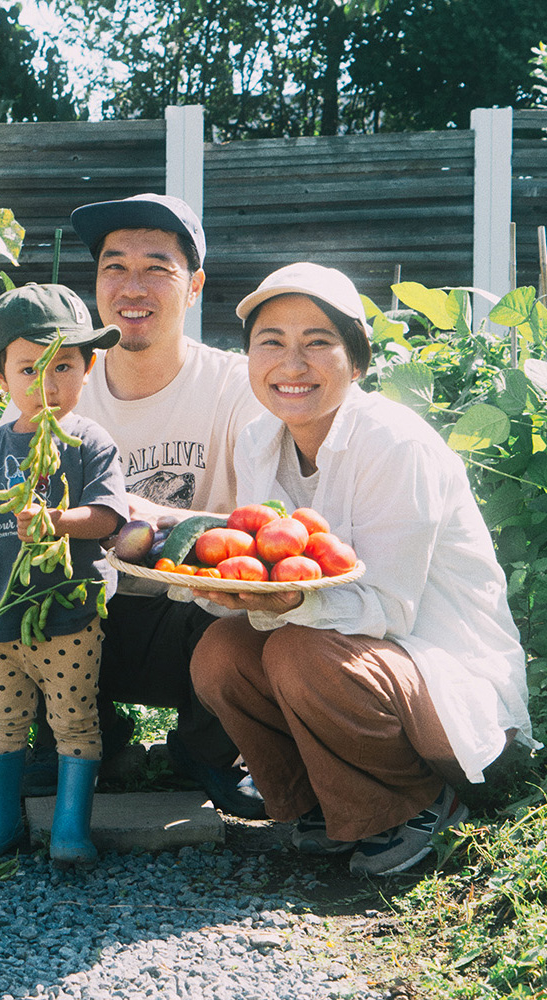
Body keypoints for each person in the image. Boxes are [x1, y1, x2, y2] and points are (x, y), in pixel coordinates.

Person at [0, 193, 267, 818]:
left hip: (191, 623)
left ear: (194, 287)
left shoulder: (235, 388)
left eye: (156, 268)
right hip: (76, 614)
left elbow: (271, 529)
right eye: (115, 267)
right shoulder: (56, 378)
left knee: (252, 593)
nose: (132, 287)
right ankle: (78, 734)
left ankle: (207, 748)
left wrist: (151, 514)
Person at [188, 261, 534, 876]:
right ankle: (321, 805)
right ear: (249, 358)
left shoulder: (395, 444)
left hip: (447, 685)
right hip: (359, 664)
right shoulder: (260, 438)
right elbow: (266, 556)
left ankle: (419, 802)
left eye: (317, 342)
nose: (292, 365)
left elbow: (391, 609)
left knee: (298, 651)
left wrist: (290, 602)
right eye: (272, 342)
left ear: (357, 362)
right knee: (221, 653)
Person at [0, 283, 128, 867]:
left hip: (70, 617)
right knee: (2, 720)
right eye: (29, 369)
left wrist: (55, 521)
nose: (46, 384)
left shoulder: (91, 442)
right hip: (3, 618)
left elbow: (107, 517)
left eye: (63, 367)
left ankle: (70, 828)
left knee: (74, 719)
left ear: (88, 369)